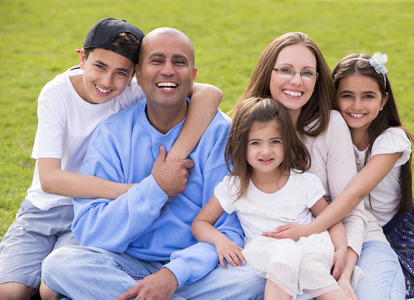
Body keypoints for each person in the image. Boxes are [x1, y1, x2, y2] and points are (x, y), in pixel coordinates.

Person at [0, 18, 222, 300]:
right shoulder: (56, 94)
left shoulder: (134, 90)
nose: (107, 82)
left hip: (91, 212)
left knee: (50, 289)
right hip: (51, 206)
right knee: (19, 288)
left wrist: (174, 158)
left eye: (120, 73)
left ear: (133, 76)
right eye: (100, 67)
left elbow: (209, 93)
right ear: (82, 59)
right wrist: (151, 187)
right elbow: (50, 180)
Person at [41, 27, 265, 299]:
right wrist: (156, 188)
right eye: (157, 61)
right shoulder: (111, 133)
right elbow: (91, 232)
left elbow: (228, 229)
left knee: (253, 278)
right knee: (59, 265)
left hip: (195, 272)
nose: (168, 70)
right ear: (138, 73)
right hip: (125, 265)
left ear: (193, 75)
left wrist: (173, 275)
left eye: (179, 62)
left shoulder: (221, 133)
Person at [239, 32, 405, 299]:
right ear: (267, 72)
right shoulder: (245, 125)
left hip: (351, 239)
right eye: (285, 70)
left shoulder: (331, 125)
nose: (296, 80)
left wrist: (346, 262)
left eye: (307, 72)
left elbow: (351, 206)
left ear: (317, 81)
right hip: (280, 249)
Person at [192, 96, 357, 300]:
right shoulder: (234, 187)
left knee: (309, 268)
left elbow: (331, 220)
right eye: (255, 143)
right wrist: (220, 241)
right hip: (267, 252)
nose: (266, 151)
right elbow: (200, 223)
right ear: (241, 145)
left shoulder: (303, 182)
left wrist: (340, 249)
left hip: (308, 248)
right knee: (284, 257)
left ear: (286, 142)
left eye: (275, 141)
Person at [331, 52, 414, 299]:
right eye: (346, 96)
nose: (357, 106)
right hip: (351, 229)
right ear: (333, 97)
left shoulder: (392, 139)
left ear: (383, 100)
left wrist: (312, 227)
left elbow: (356, 192)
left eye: (368, 96)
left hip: (396, 228)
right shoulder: (329, 135)